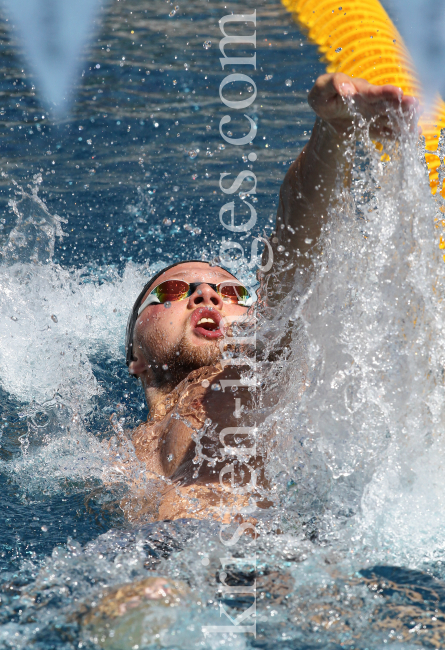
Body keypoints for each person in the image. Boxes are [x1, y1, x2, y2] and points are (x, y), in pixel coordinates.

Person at [114, 72, 417, 523]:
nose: (204, 294)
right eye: (174, 290)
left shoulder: (252, 371)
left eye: (232, 292)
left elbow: (292, 257)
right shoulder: (103, 452)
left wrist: (332, 133)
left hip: (266, 566)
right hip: (154, 560)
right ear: (134, 354)